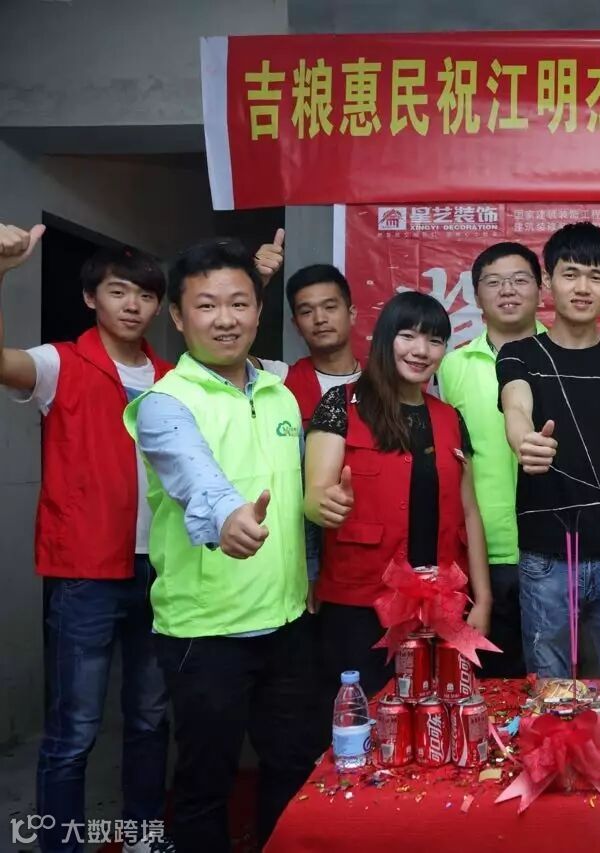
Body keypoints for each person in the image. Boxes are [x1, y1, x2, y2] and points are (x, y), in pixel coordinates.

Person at [124, 238, 320, 853]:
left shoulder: (280, 393)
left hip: (287, 622)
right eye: (206, 305)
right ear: (179, 317)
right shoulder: (164, 403)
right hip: (205, 632)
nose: (225, 319)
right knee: (206, 782)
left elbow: (296, 499)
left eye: (239, 303)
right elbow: (195, 474)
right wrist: (227, 517)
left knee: (292, 767)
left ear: (258, 312)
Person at [0, 224, 173, 853]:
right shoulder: (59, 363)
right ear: (90, 297)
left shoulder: (173, 377)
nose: (133, 305)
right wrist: (1, 271)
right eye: (118, 291)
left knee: (150, 718)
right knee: (74, 728)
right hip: (85, 574)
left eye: (146, 295)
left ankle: (143, 834)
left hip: (163, 570)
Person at [305, 290, 492, 690]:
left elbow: (470, 512)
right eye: (408, 336)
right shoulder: (342, 404)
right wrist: (324, 504)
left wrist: (484, 597)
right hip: (362, 602)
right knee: (366, 711)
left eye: (435, 340)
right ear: (385, 339)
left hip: (443, 601)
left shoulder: (450, 418)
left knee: (438, 707)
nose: (421, 351)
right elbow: (315, 495)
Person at [498, 221, 600, 678]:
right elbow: (516, 406)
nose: (583, 287)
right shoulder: (520, 354)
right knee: (549, 695)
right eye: (570, 274)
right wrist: (525, 441)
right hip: (545, 560)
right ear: (548, 281)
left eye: (595, 276)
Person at [435, 242, 546, 676]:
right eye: (494, 282)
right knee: (484, 685)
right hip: (480, 556)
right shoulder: (451, 366)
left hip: (557, 553)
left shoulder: (564, 356)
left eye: (520, 280)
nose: (508, 290)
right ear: (476, 295)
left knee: (555, 684)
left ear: (540, 289)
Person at [251, 232, 362, 425]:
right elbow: (218, 358)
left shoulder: (382, 383)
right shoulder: (278, 378)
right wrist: (255, 282)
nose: (320, 319)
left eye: (330, 307)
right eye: (306, 311)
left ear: (351, 314)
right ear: (296, 325)